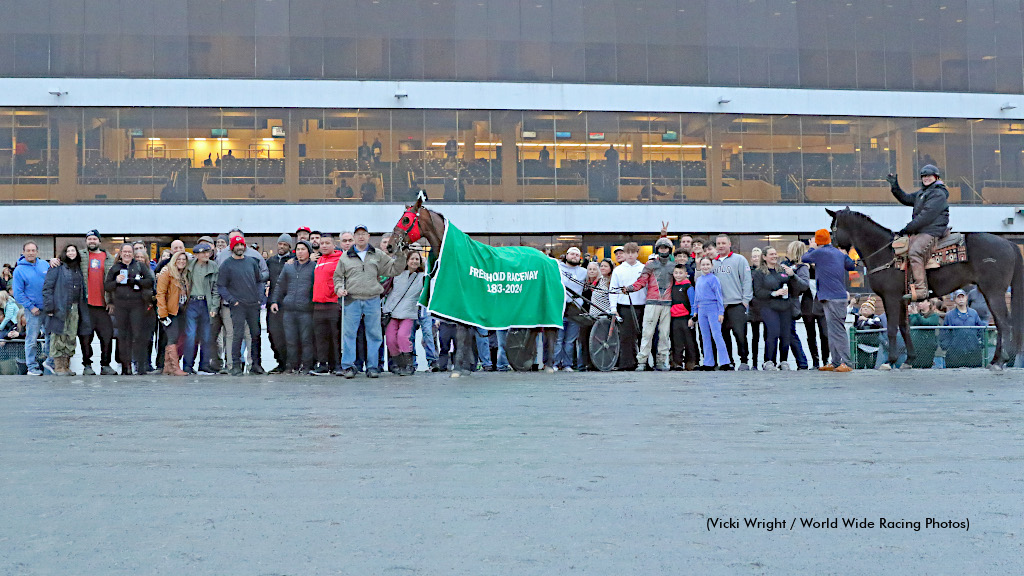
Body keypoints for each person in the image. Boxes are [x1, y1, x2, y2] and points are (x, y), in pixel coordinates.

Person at [334, 225, 408, 378]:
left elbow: (394, 269)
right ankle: (348, 366)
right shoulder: (345, 256)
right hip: (351, 299)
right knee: (349, 335)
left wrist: (401, 255)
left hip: (372, 300)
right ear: (354, 237)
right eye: (358, 234)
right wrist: (339, 288)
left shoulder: (378, 254)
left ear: (368, 237)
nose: (361, 237)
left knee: (374, 335)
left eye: (364, 234)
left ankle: (373, 367)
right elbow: (338, 276)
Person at [886, 165, 951, 301]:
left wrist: (907, 228)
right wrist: (895, 186)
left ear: (936, 177)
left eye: (929, 176)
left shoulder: (938, 194)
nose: (926, 178)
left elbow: (926, 216)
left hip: (932, 231)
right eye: (923, 176)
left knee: (914, 252)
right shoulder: (923, 193)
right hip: (922, 231)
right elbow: (906, 198)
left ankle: (921, 289)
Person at [802, 229, 855, 372]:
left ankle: (847, 363)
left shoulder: (819, 252)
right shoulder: (837, 252)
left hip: (831, 297)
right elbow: (851, 266)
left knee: (837, 330)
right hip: (836, 297)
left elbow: (804, 258)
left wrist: (812, 247)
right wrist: (844, 254)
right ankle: (836, 362)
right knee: (833, 331)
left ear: (818, 241)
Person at [623, 237, 675, 371]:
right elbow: (642, 281)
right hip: (652, 303)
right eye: (661, 247)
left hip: (667, 304)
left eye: (666, 248)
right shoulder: (650, 265)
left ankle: (661, 361)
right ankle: (642, 361)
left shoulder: (673, 266)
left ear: (669, 250)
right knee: (647, 333)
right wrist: (630, 288)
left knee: (664, 334)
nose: (663, 250)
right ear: (657, 249)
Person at [217, 235, 265, 376]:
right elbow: (221, 286)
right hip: (237, 305)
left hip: (253, 305)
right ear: (232, 247)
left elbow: (259, 281)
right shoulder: (226, 264)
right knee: (237, 335)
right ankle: (236, 365)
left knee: (256, 334)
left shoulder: (252, 262)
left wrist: (259, 298)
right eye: (237, 245)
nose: (239, 248)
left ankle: (256, 364)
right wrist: (232, 300)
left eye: (241, 245)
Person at [105, 243, 155, 375]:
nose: (127, 254)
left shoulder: (139, 266)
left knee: (138, 335)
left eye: (129, 252)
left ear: (133, 254)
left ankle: (140, 365)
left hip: (137, 305)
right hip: (121, 305)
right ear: (120, 254)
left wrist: (136, 281)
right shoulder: (115, 268)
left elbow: (150, 281)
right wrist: (116, 281)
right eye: (125, 252)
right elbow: (107, 286)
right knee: (123, 336)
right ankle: (126, 366)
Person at [752, 247, 805, 370]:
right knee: (773, 332)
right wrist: (774, 293)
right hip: (769, 306)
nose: (774, 256)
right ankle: (769, 361)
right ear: (764, 257)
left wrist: (792, 276)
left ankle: (783, 361)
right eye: (771, 254)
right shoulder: (759, 272)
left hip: (785, 306)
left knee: (785, 334)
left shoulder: (783, 270)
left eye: (775, 254)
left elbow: (796, 287)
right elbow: (758, 291)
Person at [42, 244, 90, 376]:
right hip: (59, 307)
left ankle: (66, 366)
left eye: (73, 250)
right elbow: (47, 288)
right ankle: (58, 366)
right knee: (59, 335)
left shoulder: (78, 268)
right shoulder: (57, 267)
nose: (71, 253)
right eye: (68, 251)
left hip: (75, 307)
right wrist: (49, 307)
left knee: (70, 336)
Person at [271, 240, 316, 374]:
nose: (300, 252)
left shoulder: (314, 266)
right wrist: (275, 301)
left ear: (309, 252)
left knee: (306, 340)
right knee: (290, 340)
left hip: (306, 310)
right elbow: (280, 285)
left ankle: (307, 366)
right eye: (298, 249)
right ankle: (291, 366)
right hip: (289, 309)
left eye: (303, 249)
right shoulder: (288, 267)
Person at [710, 234, 753, 370]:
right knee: (723, 335)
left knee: (740, 334)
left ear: (729, 244)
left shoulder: (739, 260)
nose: (721, 246)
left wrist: (745, 301)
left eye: (723, 243)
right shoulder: (712, 262)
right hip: (719, 306)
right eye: (718, 244)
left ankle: (744, 360)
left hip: (736, 304)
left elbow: (747, 280)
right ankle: (728, 361)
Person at [13, 241, 53, 376]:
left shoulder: (44, 265)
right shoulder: (19, 270)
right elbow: (18, 294)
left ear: (37, 252)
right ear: (23, 252)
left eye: (33, 250)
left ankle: (49, 363)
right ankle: (31, 367)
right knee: (32, 339)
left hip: (48, 309)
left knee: (50, 336)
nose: (31, 253)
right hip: (33, 311)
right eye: (28, 250)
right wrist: (31, 307)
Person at [383, 251, 426, 376]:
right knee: (390, 339)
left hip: (408, 312)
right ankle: (399, 364)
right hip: (392, 311)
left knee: (403, 336)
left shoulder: (423, 277)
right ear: (407, 261)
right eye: (412, 258)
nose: (414, 261)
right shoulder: (397, 274)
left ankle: (409, 365)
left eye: (417, 259)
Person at [182, 243, 219, 375]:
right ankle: (187, 365)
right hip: (191, 303)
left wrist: (214, 306)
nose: (206, 255)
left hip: (206, 303)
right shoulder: (189, 265)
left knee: (207, 336)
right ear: (196, 255)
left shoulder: (213, 266)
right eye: (202, 253)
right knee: (190, 335)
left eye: (207, 252)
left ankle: (204, 365)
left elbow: (216, 288)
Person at [609, 242, 646, 371]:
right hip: (624, 306)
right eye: (628, 253)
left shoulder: (643, 268)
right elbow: (613, 290)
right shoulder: (618, 270)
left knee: (643, 335)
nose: (630, 255)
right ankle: (627, 363)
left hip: (642, 306)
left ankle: (643, 362)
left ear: (637, 253)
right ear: (624, 254)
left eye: (633, 252)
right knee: (626, 336)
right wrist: (613, 308)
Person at [309, 234, 343, 375]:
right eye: (322, 243)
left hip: (333, 304)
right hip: (318, 305)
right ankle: (322, 364)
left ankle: (336, 365)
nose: (323, 245)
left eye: (327, 243)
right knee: (320, 337)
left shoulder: (340, 259)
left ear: (334, 245)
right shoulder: (319, 260)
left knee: (335, 337)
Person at [692, 257, 731, 370]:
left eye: (707, 264)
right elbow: (696, 297)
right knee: (705, 336)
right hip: (701, 309)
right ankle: (708, 362)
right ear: (700, 266)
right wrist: (695, 312)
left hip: (713, 308)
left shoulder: (714, 279)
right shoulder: (699, 279)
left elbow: (719, 296)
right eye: (703, 265)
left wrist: (720, 312)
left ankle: (725, 362)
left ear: (711, 266)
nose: (705, 267)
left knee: (717, 335)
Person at [156, 251, 190, 376]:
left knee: (178, 337)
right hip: (170, 311)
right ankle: (175, 367)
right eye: (179, 259)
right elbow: (160, 294)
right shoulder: (167, 272)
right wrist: (163, 314)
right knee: (172, 337)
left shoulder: (184, 274)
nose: (181, 261)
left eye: (184, 259)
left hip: (181, 310)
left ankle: (167, 367)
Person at [555, 247, 588, 371]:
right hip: (560, 308)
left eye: (577, 255)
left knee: (570, 340)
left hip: (575, 309)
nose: (574, 256)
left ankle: (567, 364)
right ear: (566, 255)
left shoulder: (584, 272)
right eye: (572, 254)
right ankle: (555, 363)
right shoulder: (557, 267)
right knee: (558, 339)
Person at [266, 234, 294, 373]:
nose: (281, 247)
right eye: (280, 244)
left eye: (285, 244)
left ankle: (289, 363)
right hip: (272, 302)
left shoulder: (293, 261)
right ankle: (280, 361)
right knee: (273, 334)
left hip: (288, 303)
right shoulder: (270, 261)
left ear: (289, 246)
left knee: (288, 334)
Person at [941, 289, 987, 368]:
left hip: (973, 352)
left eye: (963, 297)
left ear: (966, 298)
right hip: (955, 353)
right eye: (958, 297)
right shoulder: (949, 315)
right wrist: (947, 346)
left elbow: (981, 330)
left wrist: (980, 344)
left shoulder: (974, 313)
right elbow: (944, 333)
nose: (961, 299)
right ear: (955, 299)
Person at [670, 263, 697, 370]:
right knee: (677, 342)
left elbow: (693, 303)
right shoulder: (673, 287)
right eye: (676, 273)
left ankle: (691, 363)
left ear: (686, 274)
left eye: (680, 273)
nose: (678, 275)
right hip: (675, 318)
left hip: (686, 318)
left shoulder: (688, 287)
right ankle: (677, 363)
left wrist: (692, 317)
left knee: (689, 341)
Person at [908, 298, 942, 368]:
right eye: (918, 302)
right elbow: (911, 322)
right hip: (915, 348)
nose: (919, 303)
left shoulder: (934, 315)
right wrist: (910, 313)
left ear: (929, 303)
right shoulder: (916, 314)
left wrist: (916, 315)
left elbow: (926, 323)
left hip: (928, 348)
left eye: (922, 301)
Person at [854, 301, 884, 369]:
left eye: (868, 308)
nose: (865, 309)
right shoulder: (858, 319)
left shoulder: (876, 318)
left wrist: (866, 319)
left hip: (873, 346)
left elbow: (878, 324)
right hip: (861, 346)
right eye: (863, 307)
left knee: (870, 366)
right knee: (860, 365)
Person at [747, 247, 764, 369]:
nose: (755, 258)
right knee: (754, 336)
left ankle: (769, 361)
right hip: (753, 307)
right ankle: (754, 362)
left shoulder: (766, 270)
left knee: (768, 335)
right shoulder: (749, 271)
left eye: (758, 256)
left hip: (766, 306)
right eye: (753, 256)